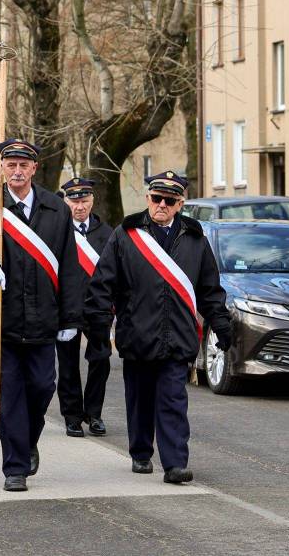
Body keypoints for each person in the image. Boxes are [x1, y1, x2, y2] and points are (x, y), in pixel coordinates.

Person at [85, 171, 233, 484]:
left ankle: (175, 463)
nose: (161, 205)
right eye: (156, 198)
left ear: (180, 204)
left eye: (169, 200)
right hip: (137, 333)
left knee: (173, 400)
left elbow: (209, 288)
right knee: (140, 399)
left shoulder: (195, 238)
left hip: (178, 336)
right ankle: (140, 451)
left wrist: (221, 324)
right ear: (148, 199)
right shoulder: (126, 234)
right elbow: (103, 283)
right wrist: (98, 326)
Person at [0, 140, 84, 492]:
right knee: (10, 394)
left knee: (43, 388)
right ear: (2, 168)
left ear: (34, 168)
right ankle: (14, 467)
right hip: (2, 319)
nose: (16, 171)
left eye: (23, 165)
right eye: (10, 164)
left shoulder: (55, 208)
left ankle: (28, 440)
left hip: (44, 318)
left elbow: (69, 265)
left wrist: (70, 318)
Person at [56, 177, 114, 438]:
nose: (80, 207)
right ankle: (72, 417)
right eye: (74, 201)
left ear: (92, 200)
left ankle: (94, 413)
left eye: (84, 201)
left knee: (101, 360)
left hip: (98, 308)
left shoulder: (107, 233)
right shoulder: (57, 231)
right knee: (68, 364)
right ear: (66, 202)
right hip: (67, 308)